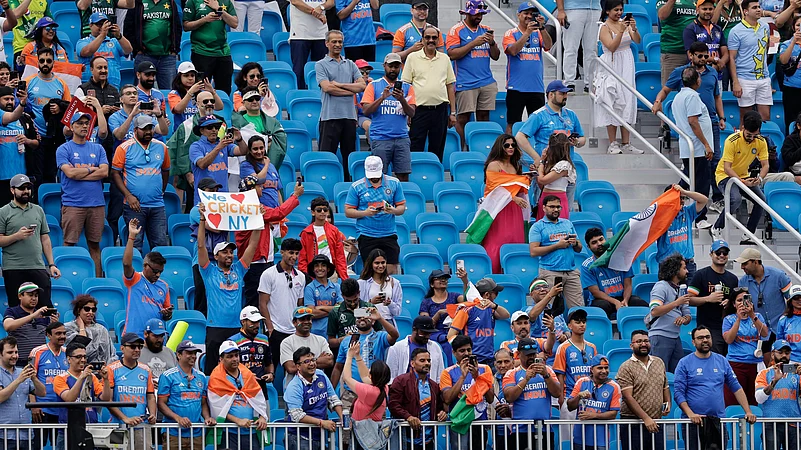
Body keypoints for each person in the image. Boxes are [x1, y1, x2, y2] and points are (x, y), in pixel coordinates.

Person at [653, 42, 726, 211]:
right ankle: (687, 200)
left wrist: (721, 117)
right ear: (690, 55)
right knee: (698, 167)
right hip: (694, 126)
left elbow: (717, 97)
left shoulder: (712, 72)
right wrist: (658, 102)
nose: (702, 59)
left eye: (705, 55)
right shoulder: (682, 73)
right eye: (698, 55)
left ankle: (716, 197)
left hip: (711, 122)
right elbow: (665, 90)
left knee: (714, 163)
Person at [197, 210, 261, 375]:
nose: (229, 255)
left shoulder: (239, 270)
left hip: (235, 328)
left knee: (235, 370)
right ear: (216, 255)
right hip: (214, 327)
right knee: (212, 372)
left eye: (231, 252)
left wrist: (258, 221)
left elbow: (252, 245)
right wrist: (203, 220)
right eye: (224, 252)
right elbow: (201, 245)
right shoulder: (208, 271)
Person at [675, 326, 758, 450]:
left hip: (718, 421)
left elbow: (736, 388)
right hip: (693, 422)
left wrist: (748, 411)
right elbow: (678, 393)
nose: (705, 340)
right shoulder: (684, 363)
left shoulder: (722, 361)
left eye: (707, 337)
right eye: (700, 338)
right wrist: (690, 414)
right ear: (693, 342)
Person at [330, 306, 398, 448]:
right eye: (359, 316)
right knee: (346, 435)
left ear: (372, 320)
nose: (362, 318)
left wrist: (380, 318)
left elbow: (395, 335)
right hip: (350, 393)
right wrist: (330, 392)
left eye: (366, 315)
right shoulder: (347, 341)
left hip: (374, 393)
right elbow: (338, 367)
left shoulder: (380, 336)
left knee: (376, 433)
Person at [56, 111, 109, 277]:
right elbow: (70, 174)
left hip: (96, 204)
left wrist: (80, 172)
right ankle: (65, 278)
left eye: (87, 123)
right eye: (80, 123)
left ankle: (98, 281)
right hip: (73, 204)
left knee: (95, 244)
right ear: (71, 127)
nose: (84, 126)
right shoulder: (63, 149)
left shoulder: (98, 148)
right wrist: (91, 169)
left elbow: (104, 172)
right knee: (69, 243)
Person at [0, 174, 60, 309]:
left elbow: (45, 238)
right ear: (12, 190)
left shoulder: (38, 210)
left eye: (28, 188)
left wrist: (51, 264)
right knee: (17, 308)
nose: (26, 191)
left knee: (45, 307)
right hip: (14, 268)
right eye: (22, 188)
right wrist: (17, 236)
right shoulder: (3, 212)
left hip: (37, 266)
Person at [112, 116, 171, 252]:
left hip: (157, 205)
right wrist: (128, 195)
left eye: (150, 128)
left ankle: (158, 273)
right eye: (144, 129)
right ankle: (134, 273)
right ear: (135, 130)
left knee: (160, 244)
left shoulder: (161, 146)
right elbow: (115, 173)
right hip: (134, 206)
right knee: (135, 244)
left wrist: (161, 190)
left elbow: (166, 169)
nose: (148, 132)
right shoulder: (124, 148)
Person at [710, 111, 768, 244]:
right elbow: (727, 168)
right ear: (743, 128)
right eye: (749, 135)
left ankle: (748, 234)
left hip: (744, 176)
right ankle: (716, 228)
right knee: (735, 200)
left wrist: (759, 179)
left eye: (755, 135)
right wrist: (741, 181)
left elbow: (765, 165)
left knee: (761, 201)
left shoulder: (761, 141)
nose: (751, 138)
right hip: (725, 176)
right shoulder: (732, 141)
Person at [447, 0, 499, 147]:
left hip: (486, 81)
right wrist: (473, 44)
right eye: (476, 14)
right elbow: (451, 54)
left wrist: (492, 43)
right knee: (463, 118)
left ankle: (481, 149)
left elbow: (495, 56)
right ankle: (463, 149)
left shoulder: (486, 29)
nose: (479, 17)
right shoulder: (456, 30)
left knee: (484, 117)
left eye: (481, 14)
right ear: (467, 13)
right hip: (465, 81)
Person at [668, 68, 715, 231]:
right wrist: (706, 144)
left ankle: (669, 197)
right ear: (698, 81)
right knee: (701, 183)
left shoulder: (678, 97)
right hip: (697, 148)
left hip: (690, 148)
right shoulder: (693, 97)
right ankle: (700, 218)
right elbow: (693, 121)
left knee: (687, 180)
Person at [402, 25, 457, 162]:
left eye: (434, 38)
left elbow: (450, 86)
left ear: (438, 40)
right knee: (415, 146)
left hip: (440, 110)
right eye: (427, 37)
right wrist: (408, 110)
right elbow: (406, 85)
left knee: (437, 147)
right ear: (422, 39)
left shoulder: (445, 59)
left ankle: (434, 175)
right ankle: (414, 176)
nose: (431, 40)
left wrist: (453, 113)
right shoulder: (412, 57)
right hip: (418, 110)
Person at [594, 0, 642, 155]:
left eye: (621, 9)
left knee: (627, 99)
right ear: (607, 11)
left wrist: (633, 29)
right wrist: (621, 31)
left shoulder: (624, 23)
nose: (619, 13)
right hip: (612, 64)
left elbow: (637, 41)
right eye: (616, 10)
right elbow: (611, 47)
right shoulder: (603, 27)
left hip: (627, 63)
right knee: (613, 99)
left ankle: (626, 142)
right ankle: (612, 142)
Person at [344, 156, 406, 273]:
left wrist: (392, 210)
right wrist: (365, 213)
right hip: (367, 234)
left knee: (391, 268)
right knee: (371, 270)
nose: (374, 178)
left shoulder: (394, 183)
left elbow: (401, 208)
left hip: (388, 233)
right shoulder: (356, 187)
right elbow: (348, 211)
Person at [316, 30, 365, 177]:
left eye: (340, 42)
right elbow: (327, 88)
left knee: (348, 157)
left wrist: (339, 85)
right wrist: (351, 90)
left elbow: (362, 86)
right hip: (329, 117)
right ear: (327, 44)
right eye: (334, 42)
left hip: (349, 117)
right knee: (326, 158)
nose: (337, 45)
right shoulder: (321, 64)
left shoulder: (350, 64)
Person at [478, 134, 530, 274]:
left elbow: (515, 186)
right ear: (500, 147)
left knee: (514, 240)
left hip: (515, 209)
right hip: (499, 209)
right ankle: (494, 274)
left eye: (513, 145)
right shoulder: (494, 165)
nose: (511, 147)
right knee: (498, 241)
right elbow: (493, 189)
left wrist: (527, 178)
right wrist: (513, 198)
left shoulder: (515, 165)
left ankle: (514, 272)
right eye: (507, 145)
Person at [361, 53, 415, 182]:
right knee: (378, 177)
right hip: (380, 138)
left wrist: (402, 99)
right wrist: (381, 98)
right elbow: (366, 111)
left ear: (400, 67)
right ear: (384, 66)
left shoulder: (407, 87)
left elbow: (412, 113)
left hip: (401, 137)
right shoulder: (373, 85)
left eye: (396, 66)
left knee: (403, 175)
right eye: (390, 66)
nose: (393, 69)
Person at [207, 340, 269, 450]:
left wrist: (262, 417)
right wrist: (238, 421)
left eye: (236, 355)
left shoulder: (247, 374)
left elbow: (258, 400)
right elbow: (217, 409)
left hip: (251, 431)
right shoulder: (216, 378)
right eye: (230, 356)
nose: (235, 359)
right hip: (229, 433)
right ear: (221, 359)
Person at [501, 338, 561, 449]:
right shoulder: (512, 373)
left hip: (545, 428)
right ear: (519, 355)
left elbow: (558, 393)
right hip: (520, 430)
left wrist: (546, 375)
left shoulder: (547, 370)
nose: (531, 357)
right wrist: (526, 379)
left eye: (533, 354)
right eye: (528, 355)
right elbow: (509, 397)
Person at [502, 2, 551, 135]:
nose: (529, 16)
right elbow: (513, 51)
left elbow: (548, 45)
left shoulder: (539, 33)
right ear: (519, 15)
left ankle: (536, 152)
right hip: (516, 87)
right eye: (526, 13)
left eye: (532, 13)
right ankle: (509, 152)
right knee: (512, 123)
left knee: (538, 124)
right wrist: (527, 33)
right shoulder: (510, 33)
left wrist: (542, 28)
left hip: (536, 87)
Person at [23, 47, 70, 184]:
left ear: (53, 63)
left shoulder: (61, 84)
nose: (45, 63)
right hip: (35, 138)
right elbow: (22, 106)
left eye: (48, 61)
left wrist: (60, 109)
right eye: (42, 60)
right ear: (37, 62)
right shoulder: (28, 81)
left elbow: (69, 109)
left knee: (51, 174)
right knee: (36, 176)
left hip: (54, 138)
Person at [617, 330, 671, 450]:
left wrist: (667, 403)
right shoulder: (626, 367)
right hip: (633, 423)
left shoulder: (659, 362)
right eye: (639, 341)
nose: (643, 344)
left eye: (646, 341)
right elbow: (627, 397)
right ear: (632, 345)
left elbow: (665, 386)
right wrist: (646, 418)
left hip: (656, 421)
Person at [157, 340, 216, 450]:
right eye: (189, 353)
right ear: (178, 355)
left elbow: (203, 403)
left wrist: (207, 418)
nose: (193, 356)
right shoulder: (167, 376)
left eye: (194, 353)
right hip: (173, 432)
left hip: (196, 432)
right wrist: (178, 418)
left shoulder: (201, 377)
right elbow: (161, 403)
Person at [528, 195, 584, 308]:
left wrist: (575, 243)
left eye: (558, 207)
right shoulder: (537, 227)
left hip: (571, 272)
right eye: (552, 206)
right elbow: (533, 251)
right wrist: (557, 246)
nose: (556, 209)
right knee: (548, 308)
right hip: (550, 272)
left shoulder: (567, 223)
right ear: (544, 208)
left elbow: (579, 248)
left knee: (578, 309)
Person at [258, 238, 305, 370]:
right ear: (282, 252)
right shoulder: (268, 274)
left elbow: (299, 305)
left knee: (295, 369)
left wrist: (298, 327)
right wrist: (270, 328)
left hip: (293, 331)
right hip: (275, 330)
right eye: (291, 253)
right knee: (270, 368)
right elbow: (262, 303)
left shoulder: (301, 276)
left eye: (296, 253)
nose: (294, 257)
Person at [284, 346, 343, 450]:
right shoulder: (294, 386)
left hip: (319, 435)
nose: (312, 364)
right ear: (298, 366)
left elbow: (333, 399)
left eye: (313, 360)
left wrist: (343, 418)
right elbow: (297, 416)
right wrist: (321, 422)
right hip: (299, 438)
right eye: (307, 361)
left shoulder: (321, 375)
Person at [581, 227, 648, 319]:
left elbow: (628, 285)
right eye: (594, 242)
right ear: (588, 247)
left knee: (641, 304)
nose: (599, 244)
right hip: (602, 299)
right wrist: (615, 302)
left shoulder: (622, 258)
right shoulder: (587, 266)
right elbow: (595, 292)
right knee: (602, 307)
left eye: (601, 239)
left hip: (622, 297)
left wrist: (625, 300)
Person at [389, 347, 448, 450]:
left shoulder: (434, 385)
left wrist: (441, 413)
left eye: (429, 360)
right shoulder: (401, 381)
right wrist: (408, 417)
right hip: (406, 440)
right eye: (422, 360)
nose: (427, 363)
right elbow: (393, 405)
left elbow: (439, 407)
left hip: (428, 441)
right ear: (412, 363)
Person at [52, 342, 109, 449]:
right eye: (78, 357)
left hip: (90, 428)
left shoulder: (91, 377)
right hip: (67, 431)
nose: (83, 360)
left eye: (84, 356)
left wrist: (106, 379)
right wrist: (81, 378)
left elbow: (105, 398)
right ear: (69, 359)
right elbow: (69, 398)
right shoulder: (60, 378)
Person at [104, 333, 157, 448]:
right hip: (118, 426)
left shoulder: (146, 369)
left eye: (139, 347)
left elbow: (150, 396)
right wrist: (125, 418)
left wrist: (153, 414)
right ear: (122, 348)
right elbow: (108, 400)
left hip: (141, 425)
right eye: (133, 346)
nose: (137, 350)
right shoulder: (112, 369)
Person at [515, 80, 585, 165]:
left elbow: (582, 138)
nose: (565, 96)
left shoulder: (571, 114)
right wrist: (536, 157)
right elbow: (520, 137)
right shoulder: (539, 115)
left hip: (568, 165)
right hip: (547, 165)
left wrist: (576, 142)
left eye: (566, 93)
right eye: (562, 93)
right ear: (551, 95)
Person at [121, 219, 172, 336]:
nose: (158, 275)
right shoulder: (135, 279)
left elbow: (167, 314)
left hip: (156, 337)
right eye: (155, 271)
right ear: (145, 266)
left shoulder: (164, 285)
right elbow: (126, 264)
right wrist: (131, 237)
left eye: (160, 272)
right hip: (134, 335)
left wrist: (167, 314)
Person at [737, 248, 793, 353]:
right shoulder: (743, 282)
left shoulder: (778, 275)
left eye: (745, 263)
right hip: (758, 330)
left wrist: (787, 317)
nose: (742, 267)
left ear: (756, 262)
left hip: (780, 328)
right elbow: (745, 307)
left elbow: (791, 299)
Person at [687, 239, 738, 355]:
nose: (721, 255)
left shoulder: (733, 279)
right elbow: (688, 300)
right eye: (718, 252)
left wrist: (729, 302)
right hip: (708, 327)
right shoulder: (701, 275)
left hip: (728, 327)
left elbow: (736, 301)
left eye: (725, 253)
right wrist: (708, 299)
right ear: (711, 254)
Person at [447, 277, 511, 365]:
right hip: (472, 359)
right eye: (495, 293)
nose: (496, 296)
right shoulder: (467, 310)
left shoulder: (491, 310)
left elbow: (506, 315)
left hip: (489, 358)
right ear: (487, 294)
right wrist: (464, 351)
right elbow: (450, 335)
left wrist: (494, 306)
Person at [723, 287, 768, 406]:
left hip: (755, 364)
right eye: (738, 300)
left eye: (745, 299)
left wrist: (752, 315)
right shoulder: (729, 319)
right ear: (733, 304)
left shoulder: (757, 316)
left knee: (753, 400)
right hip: (736, 363)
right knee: (734, 400)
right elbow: (728, 339)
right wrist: (739, 318)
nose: (742, 303)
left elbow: (765, 333)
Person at [728, 0, 771, 124]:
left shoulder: (765, 27)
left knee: (766, 117)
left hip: (764, 78)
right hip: (745, 79)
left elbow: (765, 50)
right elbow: (732, 58)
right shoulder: (736, 31)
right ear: (746, 11)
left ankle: (764, 143)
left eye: (759, 7)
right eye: (754, 7)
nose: (758, 9)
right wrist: (735, 82)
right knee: (746, 117)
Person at [648, 253, 693, 373]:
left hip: (675, 337)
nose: (687, 271)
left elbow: (687, 314)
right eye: (684, 268)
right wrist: (676, 302)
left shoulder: (680, 289)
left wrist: (684, 319)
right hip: (660, 337)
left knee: (677, 374)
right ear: (675, 270)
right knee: (659, 374)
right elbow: (655, 310)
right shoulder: (660, 286)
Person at [553, 309, 598, 428]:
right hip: (570, 396)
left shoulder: (592, 347)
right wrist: (562, 399)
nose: (582, 324)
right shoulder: (564, 348)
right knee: (568, 439)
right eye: (577, 322)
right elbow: (560, 374)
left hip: (589, 398)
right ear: (569, 325)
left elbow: (595, 373)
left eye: (583, 321)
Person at [0, 336, 46, 450]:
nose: (14, 356)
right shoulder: (20, 376)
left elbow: (42, 393)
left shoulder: (23, 372)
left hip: (26, 435)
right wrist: (19, 380)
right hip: (4, 435)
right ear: (0, 354)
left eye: (16, 352)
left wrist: (34, 378)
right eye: (10, 352)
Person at [182, 0, 238, 95]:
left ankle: (223, 109)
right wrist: (204, 20)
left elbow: (234, 23)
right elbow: (186, 26)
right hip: (201, 52)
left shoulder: (226, 1)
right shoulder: (193, 1)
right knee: (201, 90)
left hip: (223, 52)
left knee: (224, 90)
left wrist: (219, 9)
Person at [189, 114, 248, 202]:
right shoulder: (196, 146)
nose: (214, 130)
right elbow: (202, 164)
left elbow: (243, 151)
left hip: (223, 197)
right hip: (204, 197)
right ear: (201, 130)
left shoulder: (223, 144)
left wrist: (239, 139)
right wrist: (219, 147)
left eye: (216, 127)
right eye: (210, 127)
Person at [567, 355, 621, 450]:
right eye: (600, 368)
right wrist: (578, 396)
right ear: (592, 369)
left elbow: (613, 414)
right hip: (580, 437)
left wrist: (594, 415)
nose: (604, 371)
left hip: (601, 439)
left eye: (606, 368)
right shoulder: (582, 382)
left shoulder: (614, 387)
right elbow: (570, 406)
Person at [755, 339, 801, 450]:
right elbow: (759, 398)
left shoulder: (797, 374)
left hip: (793, 423)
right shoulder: (764, 373)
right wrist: (774, 381)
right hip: (771, 423)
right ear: (772, 354)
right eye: (780, 352)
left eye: (787, 353)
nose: (784, 355)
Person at [126, 0, 181, 91]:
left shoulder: (170, 2)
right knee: (141, 90)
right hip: (144, 55)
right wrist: (137, 49)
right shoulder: (138, 2)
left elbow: (177, 26)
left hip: (167, 57)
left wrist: (174, 50)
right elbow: (128, 26)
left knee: (170, 92)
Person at [656, 185, 710, 278]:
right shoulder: (659, 216)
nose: (682, 201)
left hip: (688, 264)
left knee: (691, 292)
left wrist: (684, 192)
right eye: (679, 198)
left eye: (683, 198)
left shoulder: (687, 212)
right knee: (668, 292)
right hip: (668, 265)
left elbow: (704, 200)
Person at [419, 268, 466, 365]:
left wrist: (464, 280)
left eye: (445, 278)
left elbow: (466, 300)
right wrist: (439, 314)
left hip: (454, 332)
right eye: (439, 278)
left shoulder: (454, 296)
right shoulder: (426, 302)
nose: (443, 280)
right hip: (435, 335)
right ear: (432, 284)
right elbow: (425, 325)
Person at [28, 322, 66, 440]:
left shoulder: (68, 353)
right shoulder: (37, 352)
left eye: (64, 333)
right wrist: (34, 405)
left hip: (62, 408)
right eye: (58, 333)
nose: (62, 336)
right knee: (38, 445)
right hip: (42, 408)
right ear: (48, 335)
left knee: (60, 445)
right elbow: (29, 379)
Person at [2, 282, 55, 367]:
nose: (34, 298)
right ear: (20, 296)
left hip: (40, 362)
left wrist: (54, 324)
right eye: (30, 295)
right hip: (19, 363)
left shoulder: (42, 315)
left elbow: (51, 339)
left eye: (36, 295)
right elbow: (8, 326)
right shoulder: (12, 311)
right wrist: (33, 316)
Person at [233, 90, 287, 171]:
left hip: (266, 163)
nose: (254, 101)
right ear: (243, 103)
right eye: (250, 99)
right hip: (246, 166)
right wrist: (266, 140)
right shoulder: (237, 121)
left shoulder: (272, 122)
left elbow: (280, 139)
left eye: (257, 99)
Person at [281, 306, 335, 387]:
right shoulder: (287, 342)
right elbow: (291, 368)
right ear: (294, 322)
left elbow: (329, 362)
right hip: (295, 389)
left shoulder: (321, 340)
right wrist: (318, 360)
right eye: (302, 319)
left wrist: (302, 363)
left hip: (318, 388)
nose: (306, 322)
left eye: (308, 319)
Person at [228, 306, 275, 396]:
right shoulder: (232, 342)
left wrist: (270, 374)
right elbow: (225, 367)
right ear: (243, 322)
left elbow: (269, 363)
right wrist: (245, 375)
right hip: (240, 388)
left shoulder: (264, 339)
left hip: (261, 388)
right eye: (253, 322)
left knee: (266, 410)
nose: (257, 325)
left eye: (258, 321)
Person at [76, 13, 132, 88]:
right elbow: (87, 52)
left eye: (104, 24)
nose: (102, 27)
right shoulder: (83, 41)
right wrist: (102, 35)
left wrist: (119, 36)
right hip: (90, 86)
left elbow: (128, 50)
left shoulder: (114, 41)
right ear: (90, 25)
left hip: (113, 86)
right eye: (99, 24)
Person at [327, 278, 384, 351]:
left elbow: (380, 334)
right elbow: (331, 342)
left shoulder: (370, 308)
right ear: (342, 296)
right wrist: (343, 339)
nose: (352, 303)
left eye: (355, 300)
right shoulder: (335, 312)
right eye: (349, 301)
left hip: (368, 351)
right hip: (346, 354)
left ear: (359, 293)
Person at [299, 200, 349, 281]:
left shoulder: (334, 230)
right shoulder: (306, 232)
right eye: (319, 210)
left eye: (325, 210)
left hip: (330, 272)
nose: (322, 212)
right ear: (313, 212)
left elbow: (340, 256)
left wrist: (344, 277)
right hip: (313, 274)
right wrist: (306, 275)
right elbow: (302, 258)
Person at [288, 0, 332, 90]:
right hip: (300, 33)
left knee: (321, 69)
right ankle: (300, 96)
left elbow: (331, 2)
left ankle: (320, 95)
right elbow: (295, 2)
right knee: (299, 70)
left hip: (321, 33)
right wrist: (314, 12)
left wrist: (321, 7)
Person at [169, 62, 223, 134]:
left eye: (192, 75)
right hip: (183, 133)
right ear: (179, 77)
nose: (190, 78)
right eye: (186, 75)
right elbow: (178, 110)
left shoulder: (201, 93)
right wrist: (190, 92)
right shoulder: (174, 93)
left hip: (202, 132)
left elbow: (219, 107)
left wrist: (212, 92)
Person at [387, 316, 445, 382]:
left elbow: (440, 375)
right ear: (414, 330)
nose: (427, 336)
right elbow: (391, 377)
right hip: (404, 389)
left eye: (429, 333)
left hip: (429, 389)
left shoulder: (435, 347)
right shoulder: (396, 348)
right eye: (423, 333)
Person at [683, 0, 729, 82]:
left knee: (718, 95)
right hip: (698, 75)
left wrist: (721, 62)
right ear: (697, 10)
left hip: (717, 75)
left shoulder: (717, 29)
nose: (708, 12)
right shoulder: (691, 29)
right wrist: (715, 60)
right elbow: (691, 55)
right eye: (704, 9)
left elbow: (725, 52)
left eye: (710, 9)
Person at [0, 85, 31, 207]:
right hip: (2, 176)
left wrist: (27, 141)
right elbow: (12, 116)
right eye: (5, 99)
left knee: (20, 212)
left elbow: (36, 142)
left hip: (20, 175)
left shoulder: (22, 119)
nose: (9, 102)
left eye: (12, 99)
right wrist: (22, 104)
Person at [63, 294, 115, 365]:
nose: (90, 312)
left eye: (93, 310)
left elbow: (111, 353)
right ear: (78, 310)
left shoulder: (102, 329)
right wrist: (82, 328)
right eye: (87, 309)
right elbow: (78, 350)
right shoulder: (68, 328)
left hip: (102, 370)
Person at [535, 133, 576, 220]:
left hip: (557, 199)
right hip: (544, 198)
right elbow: (541, 184)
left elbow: (543, 180)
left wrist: (541, 163)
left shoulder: (564, 165)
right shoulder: (551, 164)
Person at [238, 134, 285, 211]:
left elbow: (277, 191)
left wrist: (282, 212)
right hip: (258, 211)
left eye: (261, 148)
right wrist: (266, 165)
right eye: (255, 149)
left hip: (275, 211)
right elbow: (257, 180)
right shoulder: (245, 166)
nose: (259, 151)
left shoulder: (271, 166)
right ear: (249, 150)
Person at [657, 0, 698, 84]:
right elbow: (662, 15)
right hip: (673, 52)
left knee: (694, 87)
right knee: (670, 88)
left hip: (693, 52)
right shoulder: (664, 1)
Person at [358, 249, 403, 325]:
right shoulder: (361, 283)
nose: (380, 266)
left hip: (387, 322)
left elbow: (397, 312)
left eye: (383, 262)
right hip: (369, 323)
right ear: (371, 264)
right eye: (377, 263)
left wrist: (390, 303)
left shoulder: (394, 283)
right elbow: (357, 312)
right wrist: (371, 303)